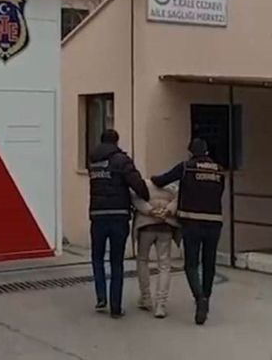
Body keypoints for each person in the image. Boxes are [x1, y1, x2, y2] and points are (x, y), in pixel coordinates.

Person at [151, 138, 225, 326]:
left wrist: (149, 181)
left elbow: (161, 180)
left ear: (191, 153)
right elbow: (220, 192)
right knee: (209, 263)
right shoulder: (219, 169)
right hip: (214, 222)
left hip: (192, 221)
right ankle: (206, 298)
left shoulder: (186, 167)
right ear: (206, 152)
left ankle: (199, 298)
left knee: (191, 264)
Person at [88, 129, 150, 319]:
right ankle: (115, 307)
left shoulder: (93, 161)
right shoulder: (122, 160)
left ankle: (101, 297)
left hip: (97, 215)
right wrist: (147, 196)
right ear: (116, 142)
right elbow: (137, 184)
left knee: (97, 258)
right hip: (118, 215)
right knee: (116, 262)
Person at [130, 180, 180, 319]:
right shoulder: (171, 187)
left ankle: (146, 298)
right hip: (165, 226)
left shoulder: (144, 185)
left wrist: (150, 210)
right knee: (164, 265)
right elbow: (179, 198)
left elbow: (135, 198)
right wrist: (167, 210)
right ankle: (160, 305)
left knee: (142, 261)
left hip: (145, 226)